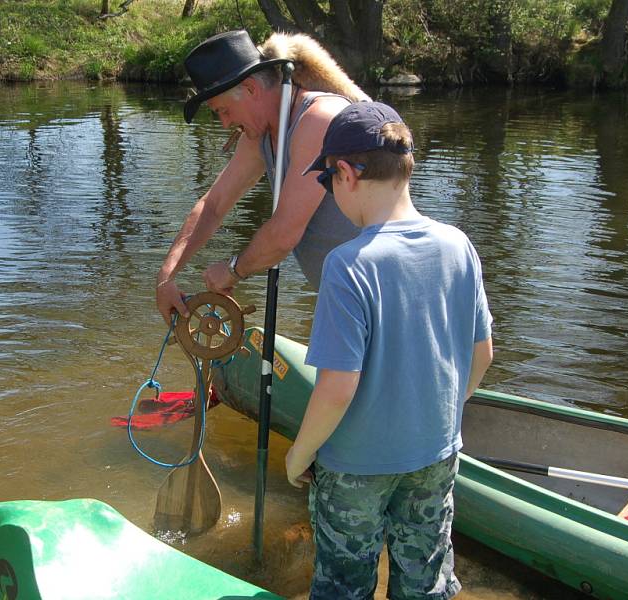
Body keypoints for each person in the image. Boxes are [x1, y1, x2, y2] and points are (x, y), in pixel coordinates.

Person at [285, 102, 494, 599]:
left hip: (356, 466)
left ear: (345, 173)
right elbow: (482, 354)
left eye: (326, 181)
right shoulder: (459, 245)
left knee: (344, 584)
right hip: (435, 454)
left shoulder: (348, 265)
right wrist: (436, 420)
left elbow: (337, 389)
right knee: (425, 580)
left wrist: (300, 454)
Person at [155, 30, 370, 322]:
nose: (225, 123)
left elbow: (284, 234)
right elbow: (214, 205)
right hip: (346, 296)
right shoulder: (261, 136)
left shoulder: (319, 119)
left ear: (251, 89)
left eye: (224, 111)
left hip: (384, 294)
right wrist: (166, 277)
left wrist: (233, 270)